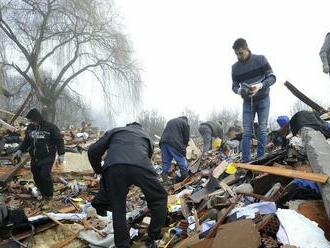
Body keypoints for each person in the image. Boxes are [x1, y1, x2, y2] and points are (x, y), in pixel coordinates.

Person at [88, 122, 167, 248]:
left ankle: (123, 245)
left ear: (128, 126)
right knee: (159, 198)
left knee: (118, 207)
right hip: (141, 167)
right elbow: (147, 157)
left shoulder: (116, 131)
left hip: (114, 168)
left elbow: (92, 150)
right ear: (140, 128)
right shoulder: (146, 137)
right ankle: (153, 237)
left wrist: (98, 170)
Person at [231, 38, 276, 162]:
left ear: (247, 49)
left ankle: (260, 158)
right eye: (236, 54)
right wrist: (241, 91)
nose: (239, 56)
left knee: (262, 129)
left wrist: (259, 86)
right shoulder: (235, 68)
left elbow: (272, 77)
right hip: (247, 102)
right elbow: (234, 87)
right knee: (247, 131)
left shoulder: (260, 59)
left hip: (263, 100)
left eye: (241, 53)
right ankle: (246, 161)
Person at [13, 108, 64, 200]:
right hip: (35, 157)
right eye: (31, 121)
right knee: (36, 175)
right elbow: (26, 141)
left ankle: (49, 195)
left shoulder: (51, 127)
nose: (32, 123)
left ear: (38, 118)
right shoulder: (30, 128)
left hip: (48, 156)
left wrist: (61, 154)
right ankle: (42, 192)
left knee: (44, 175)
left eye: (33, 121)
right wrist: (20, 150)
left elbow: (59, 141)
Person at [159, 116, 190, 184]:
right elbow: (186, 137)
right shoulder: (185, 123)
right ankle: (185, 178)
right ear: (186, 120)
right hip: (174, 143)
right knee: (180, 159)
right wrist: (183, 148)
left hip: (163, 142)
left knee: (166, 162)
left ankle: (165, 181)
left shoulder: (171, 121)